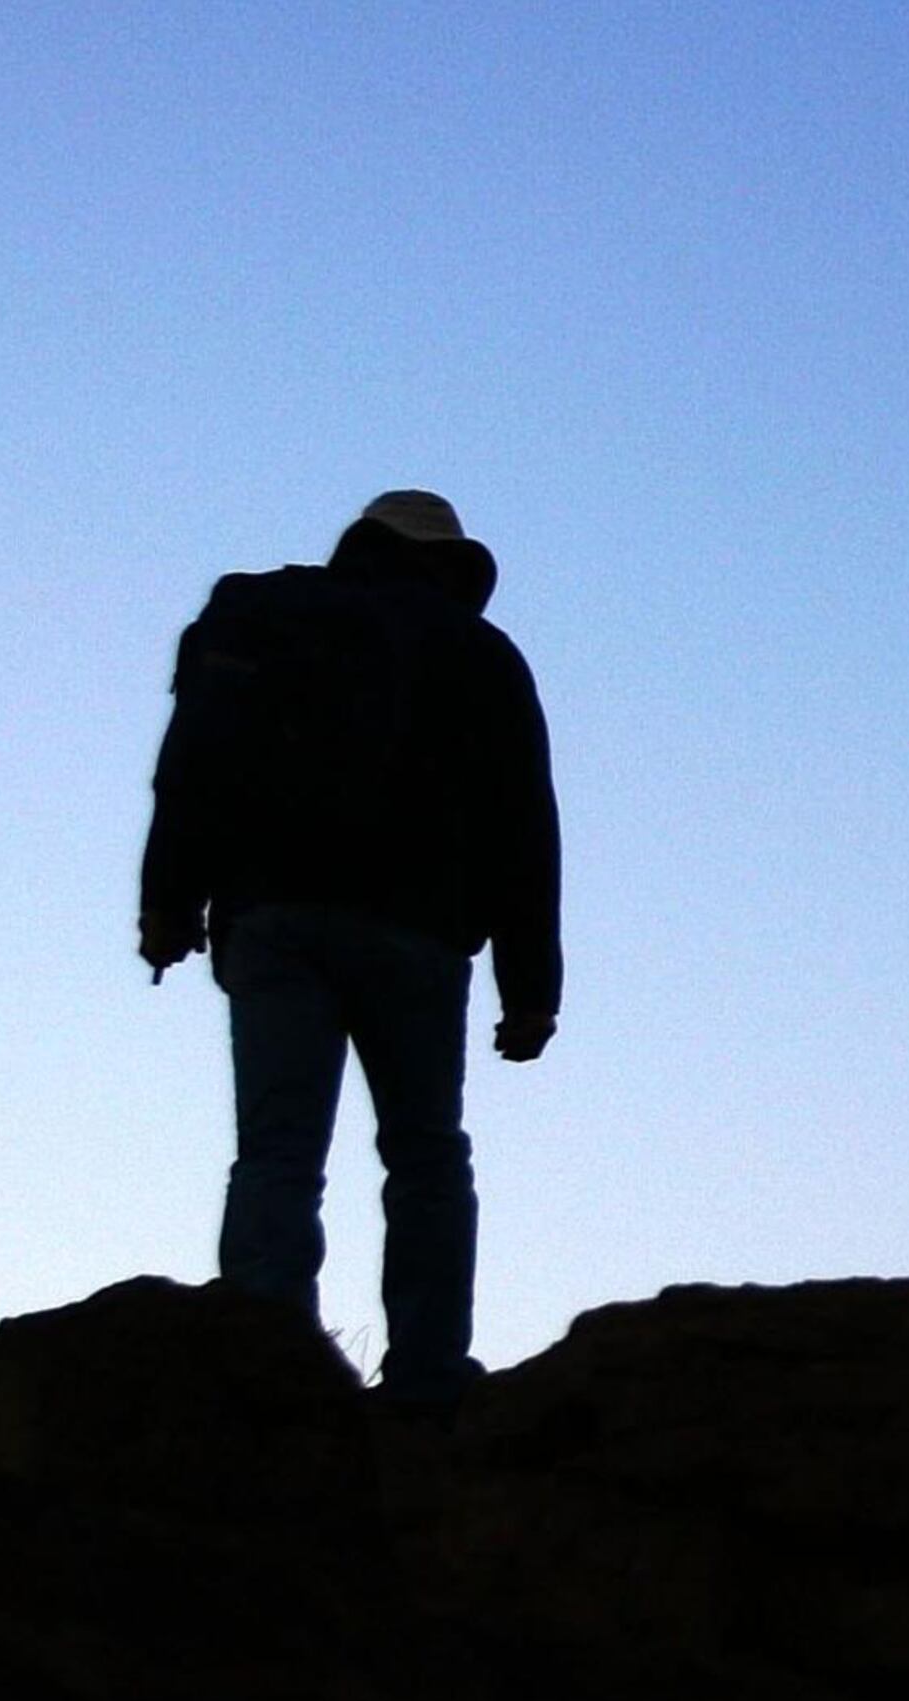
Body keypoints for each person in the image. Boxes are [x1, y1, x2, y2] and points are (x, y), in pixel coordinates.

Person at [138, 489, 561, 1404]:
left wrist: (166, 903)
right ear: (448, 564)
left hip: (274, 913)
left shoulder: (259, 611)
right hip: (419, 932)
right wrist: (531, 989)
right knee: (427, 1157)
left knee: (278, 1150)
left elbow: (194, 760)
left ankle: (267, 1361)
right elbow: (524, 825)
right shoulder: (482, 654)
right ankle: (426, 1377)